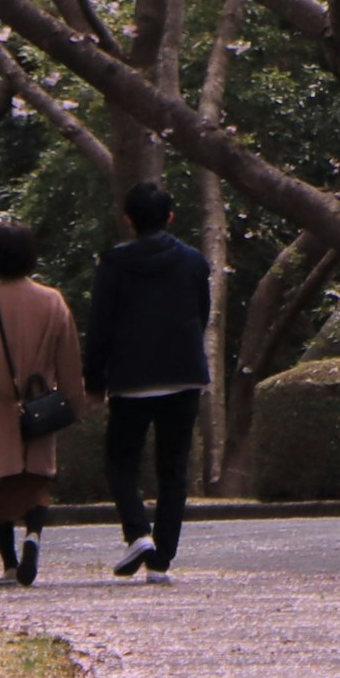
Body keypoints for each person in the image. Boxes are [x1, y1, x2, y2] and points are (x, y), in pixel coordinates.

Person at [83, 180, 213, 579]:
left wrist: (94, 378)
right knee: (173, 470)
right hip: (182, 374)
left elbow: (100, 325)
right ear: (170, 217)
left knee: (121, 461)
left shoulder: (114, 264)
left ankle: (138, 531)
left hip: (131, 378)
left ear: (128, 220)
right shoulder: (193, 262)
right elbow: (202, 313)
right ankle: (161, 560)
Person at [0, 220, 85, 587]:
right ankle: (34, 537)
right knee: (36, 480)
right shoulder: (53, 301)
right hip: (39, 408)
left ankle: (9, 564)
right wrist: (74, 400)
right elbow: (69, 358)